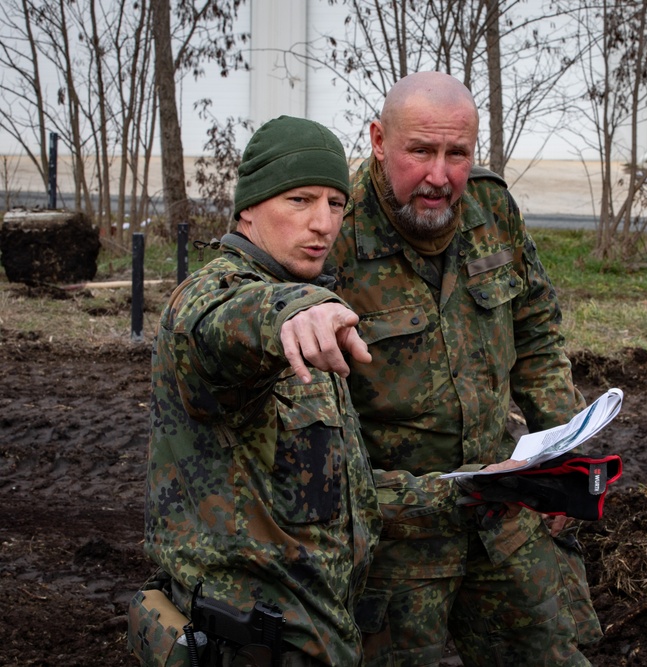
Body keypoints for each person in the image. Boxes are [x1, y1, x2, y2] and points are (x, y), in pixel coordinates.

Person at [325, 72, 602, 666]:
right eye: (420, 151)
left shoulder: (491, 209)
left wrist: (563, 457)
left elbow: (535, 330)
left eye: (458, 154)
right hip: (395, 539)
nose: (439, 176)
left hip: (501, 511)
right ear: (379, 140)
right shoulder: (334, 239)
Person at [134, 115, 381, 666]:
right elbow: (228, 320)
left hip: (319, 641)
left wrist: (471, 489)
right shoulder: (208, 298)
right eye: (300, 200)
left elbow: (341, 497)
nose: (323, 223)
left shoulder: (309, 317)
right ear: (249, 207)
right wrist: (295, 308)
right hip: (245, 647)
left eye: (336, 204)